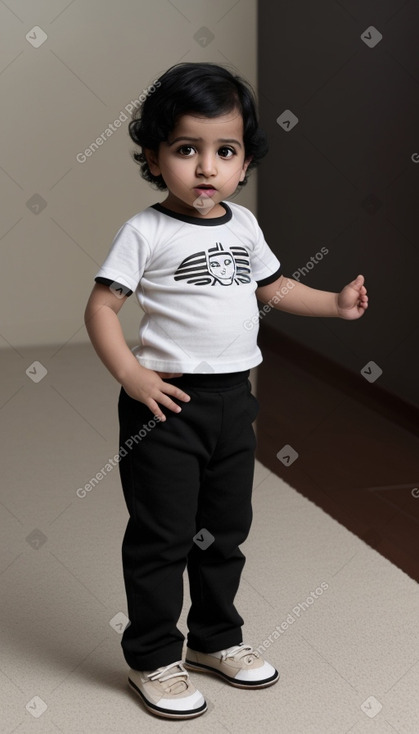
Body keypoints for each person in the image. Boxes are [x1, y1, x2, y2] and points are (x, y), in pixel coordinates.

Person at [84, 61, 368, 720]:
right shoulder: (145, 231)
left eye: (225, 151)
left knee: (223, 529)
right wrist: (131, 374)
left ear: (244, 162)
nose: (206, 168)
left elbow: (271, 289)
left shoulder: (241, 225)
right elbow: (101, 308)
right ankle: (153, 656)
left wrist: (333, 303)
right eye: (186, 150)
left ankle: (215, 639)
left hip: (233, 400)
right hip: (165, 405)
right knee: (163, 534)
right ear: (155, 159)